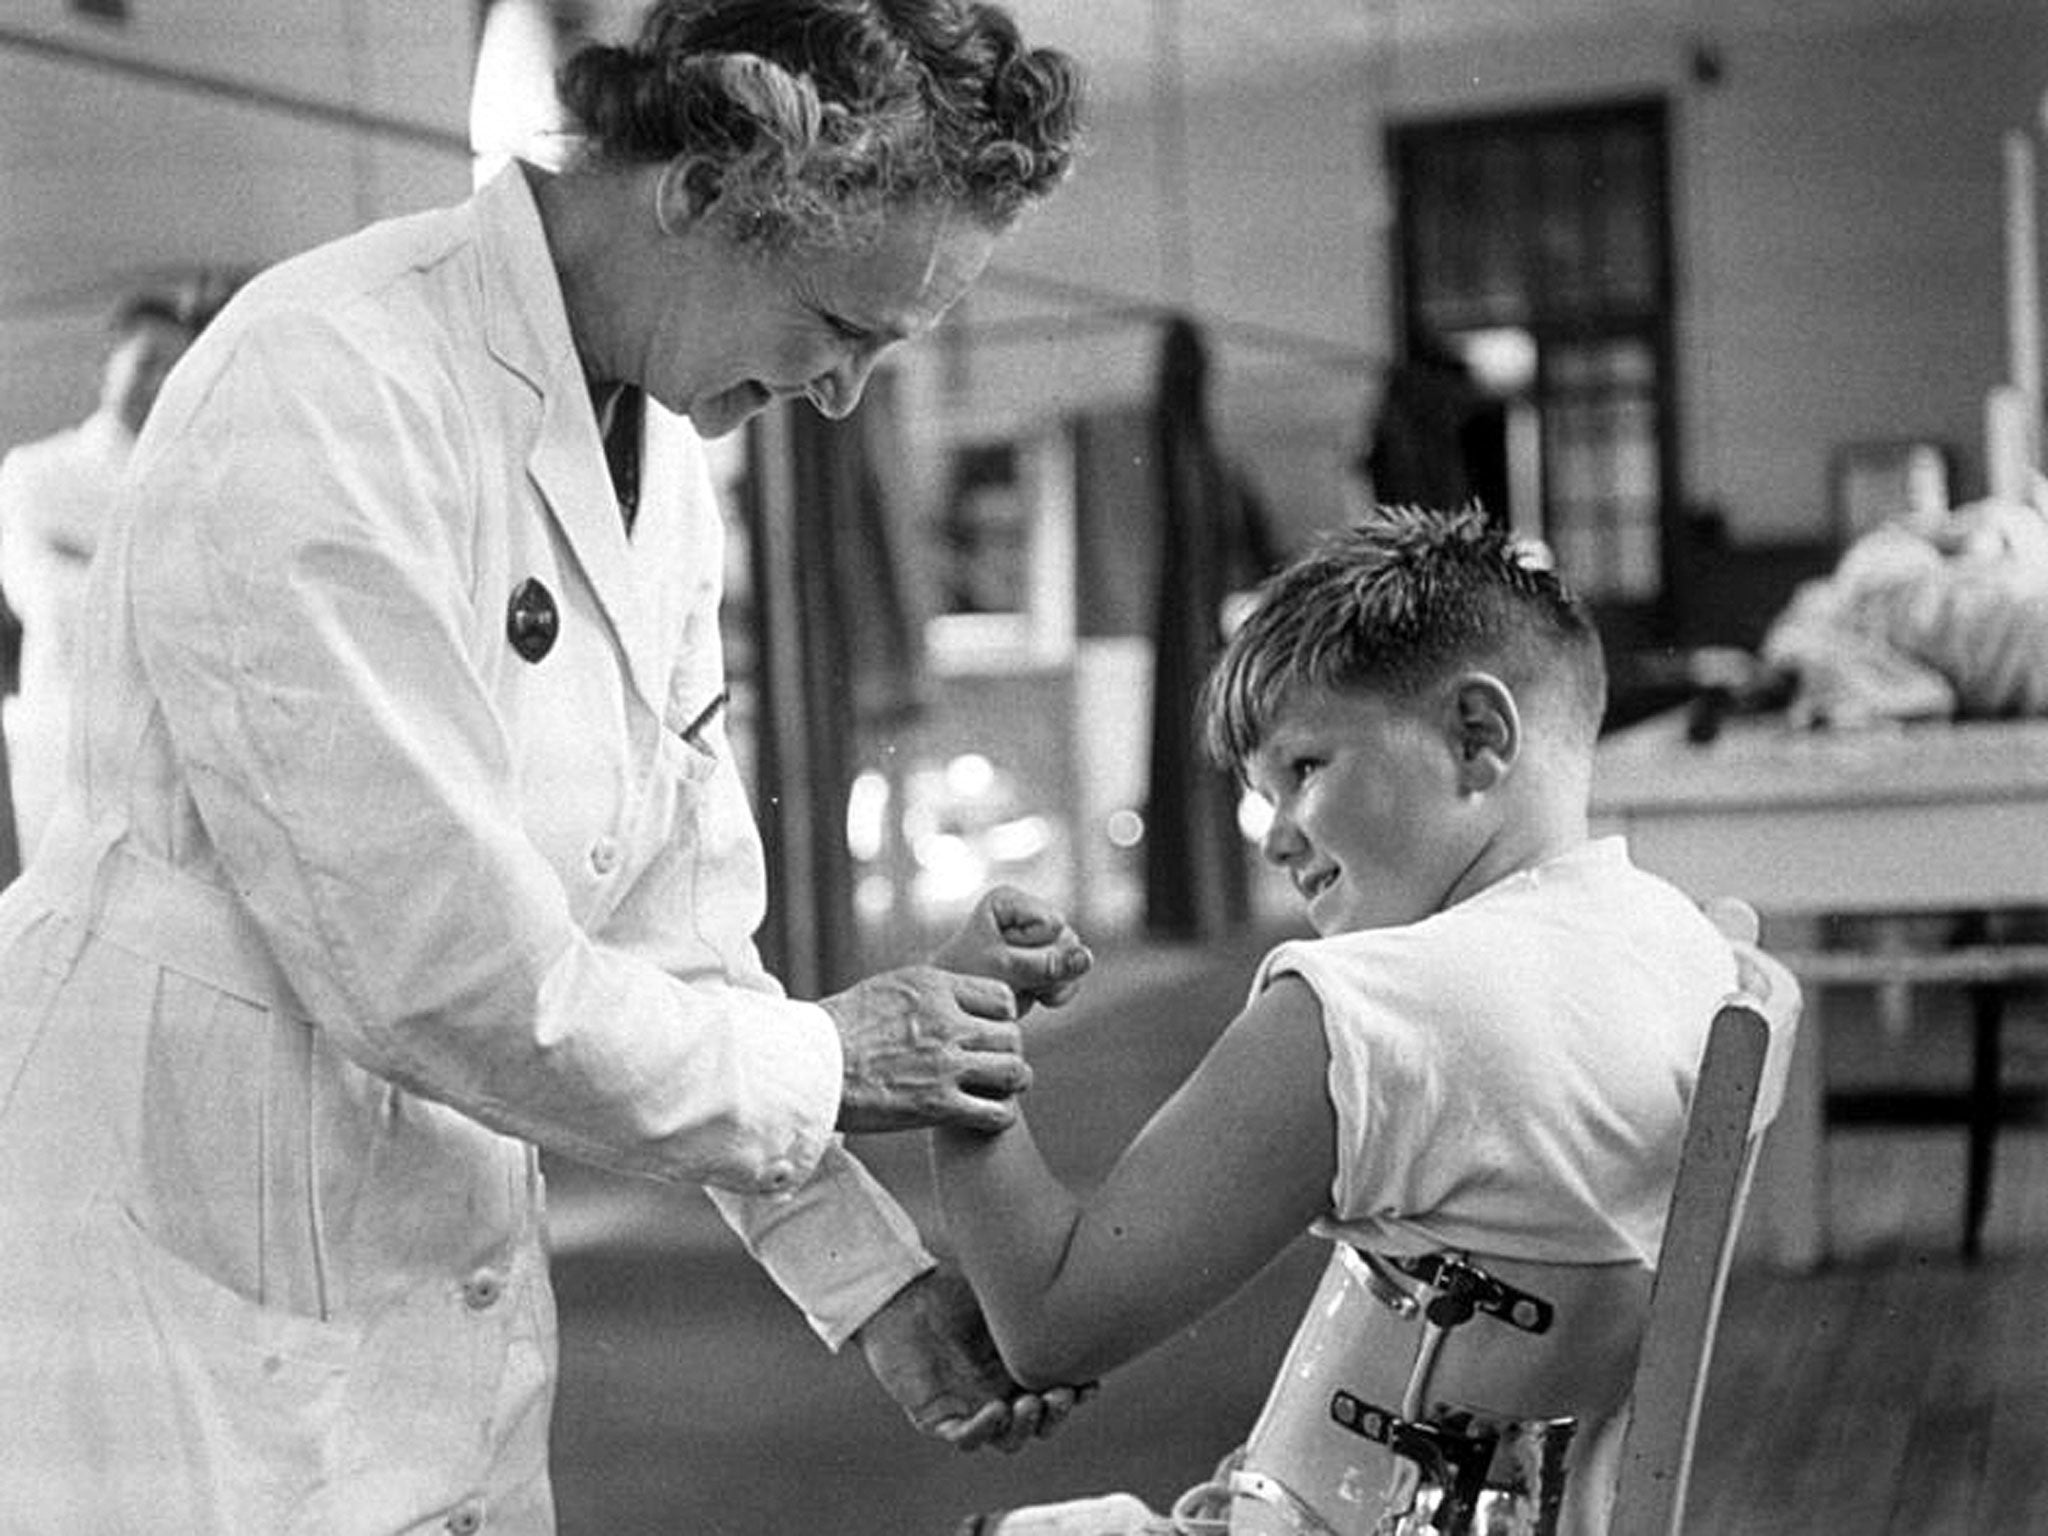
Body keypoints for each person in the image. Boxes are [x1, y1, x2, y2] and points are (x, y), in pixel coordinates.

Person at [0, 3, 1088, 1531]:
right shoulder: (329, 380)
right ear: (702, 190)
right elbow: (431, 967)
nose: (841, 396)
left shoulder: (665, 469)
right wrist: (841, 1064)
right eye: (839, 330)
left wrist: (871, 1280)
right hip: (175, 1231)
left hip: (414, 1230)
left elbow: (668, 926)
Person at [935, 507, 1791, 1535]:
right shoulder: (1682, 943)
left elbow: (1047, 1322)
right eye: (1263, 795)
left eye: (1304, 770)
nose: (1276, 839)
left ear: (1478, 737)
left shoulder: (1369, 1007)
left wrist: (956, 1033)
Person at [0, 285, 210, 857]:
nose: (162, 381)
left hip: (173, 757)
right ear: (106, 365)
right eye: (147, 362)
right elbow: (47, 602)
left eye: (178, 368)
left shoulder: (195, 489)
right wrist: (162, 590)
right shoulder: (35, 473)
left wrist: (95, 565)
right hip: (66, 737)